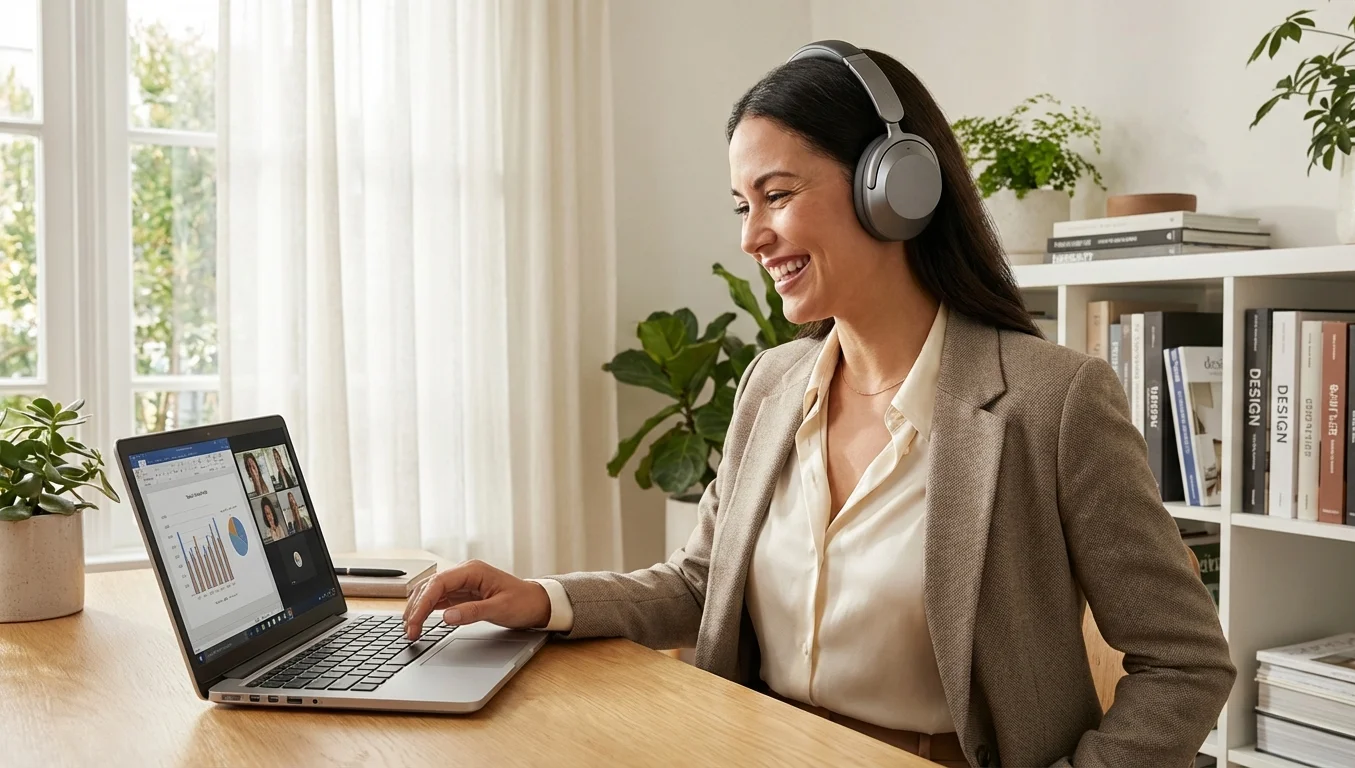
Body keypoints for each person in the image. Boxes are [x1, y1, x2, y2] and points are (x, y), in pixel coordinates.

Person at [403, 41, 1234, 767]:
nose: (750, 236)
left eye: (776, 194)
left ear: (895, 188)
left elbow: (1186, 662)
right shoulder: (772, 385)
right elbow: (700, 585)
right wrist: (542, 599)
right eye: (742, 206)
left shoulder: (1054, 402)